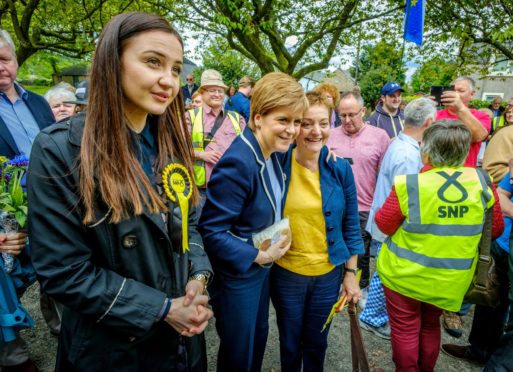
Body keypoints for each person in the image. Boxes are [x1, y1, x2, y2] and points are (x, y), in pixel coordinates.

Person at [27, 12, 213, 371]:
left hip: (182, 347)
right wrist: (162, 308)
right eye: (153, 62)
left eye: (176, 69)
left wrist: (197, 280)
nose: (168, 80)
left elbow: (192, 227)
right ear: (112, 63)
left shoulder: (171, 146)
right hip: (111, 349)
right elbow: (63, 270)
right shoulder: (59, 150)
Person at [199, 72, 308, 371]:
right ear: (258, 118)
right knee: (239, 353)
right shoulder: (239, 161)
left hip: (259, 271)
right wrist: (259, 254)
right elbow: (211, 231)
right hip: (239, 276)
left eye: (296, 122)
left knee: (257, 339)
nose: (291, 130)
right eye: (283, 120)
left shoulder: (272, 152)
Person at [375, 120, 503, 372]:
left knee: (405, 328)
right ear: (465, 151)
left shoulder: (411, 184)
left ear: (427, 150)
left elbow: (384, 224)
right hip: (450, 279)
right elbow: (495, 229)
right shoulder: (481, 182)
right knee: (431, 324)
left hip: (404, 276)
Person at [270, 91, 363, 371]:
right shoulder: (277, 163)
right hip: (287, 272)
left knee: (317, 342)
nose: (315, 131)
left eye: (323, 123)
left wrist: (351, 275)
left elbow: (351, 225)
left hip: (327, 274)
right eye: (307, 123)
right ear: (296, 126)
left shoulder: (339, 168)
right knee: (289, 343)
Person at [0, 28, 54, 372]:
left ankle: (65, 325)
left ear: (16, 61)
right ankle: (12, 354)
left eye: (4, 59)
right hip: (5, 207)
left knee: (60, 260)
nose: (0, 68)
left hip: (49, 199)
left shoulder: (37, 101)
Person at [361, 98, 437, 340]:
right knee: (386, 271)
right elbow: (405, 198)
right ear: (430, 121)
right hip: (393, 223)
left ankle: (373, 314)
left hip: (387, 219)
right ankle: (372, 316)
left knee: (384, 268)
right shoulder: (407, 155)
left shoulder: (403, 145)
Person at [442, 165, 513, 366]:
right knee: (487, 299)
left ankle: (498, 362)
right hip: (502, 244)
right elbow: (501, 197)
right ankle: (479, 350)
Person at [327, 91, 390, 293]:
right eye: (342, 115)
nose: (347, 120)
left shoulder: (379, 137)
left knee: (360, 252)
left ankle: (360, 289)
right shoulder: (330, 136)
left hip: (364, 204)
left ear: (363, 111)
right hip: (334, 205)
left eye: (352, 114)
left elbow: (385, 174)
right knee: (335, 246)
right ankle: (334, 286)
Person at [185, 69, 245, 195]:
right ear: (202, 92)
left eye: (220, 91)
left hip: (231, 185)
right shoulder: (190, 117)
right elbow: (176, 148)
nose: (217, 94)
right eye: (212, 90)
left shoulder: (237, 119)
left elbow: (246, 150)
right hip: (201, 190)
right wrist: (201, 155)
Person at [436, 76, 490, 168]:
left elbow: (479, 137)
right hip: (434, 171)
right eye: (453, 90)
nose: (455, 94)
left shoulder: (481, 116)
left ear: (472, 95)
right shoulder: (434, 114)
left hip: (464, 175)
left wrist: (460, 108)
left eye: (461, 91)